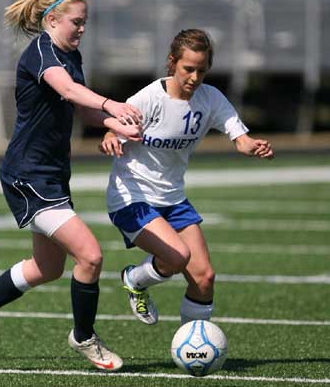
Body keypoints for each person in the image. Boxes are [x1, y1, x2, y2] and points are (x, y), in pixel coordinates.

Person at [0, 0, 143, 372]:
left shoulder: (71, 53)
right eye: (76, 22)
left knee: (47, 268)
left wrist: (116, 124)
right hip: (27, 175)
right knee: (90, 255)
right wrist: (111, 104)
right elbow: (67, 89)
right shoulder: (41, 52)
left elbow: (82, 109)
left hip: (51, 174)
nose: (82, 29)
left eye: (85, 23)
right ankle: (84, 337)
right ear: (51, 20)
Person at [100, 28, 274, 327]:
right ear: (172, 63)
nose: (194, 78)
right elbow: (113, 128)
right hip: (132, 197)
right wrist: (109, 138)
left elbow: (240, 137)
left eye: (202, 71)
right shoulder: (149, 98)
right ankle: (135, 279)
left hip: (173, 198)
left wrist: (252, 146)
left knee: (204, 277)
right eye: (188, 69)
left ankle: (193, 348)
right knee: (178, 256)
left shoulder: (210, 99)